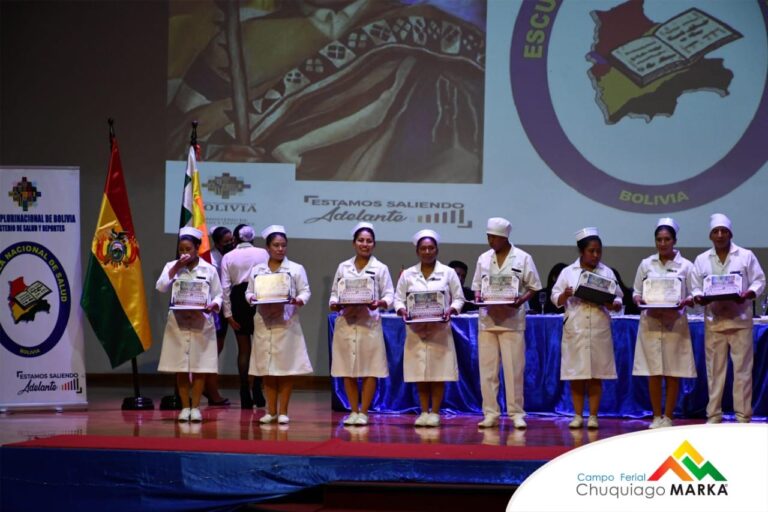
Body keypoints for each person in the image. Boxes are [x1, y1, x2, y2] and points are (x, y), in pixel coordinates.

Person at [691, 213, 765, 424]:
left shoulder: (745, 255)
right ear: (710, 236)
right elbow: (696, 285)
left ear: (731, 233)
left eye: (724, 231)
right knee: (714, 372)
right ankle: (714, 415)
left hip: (740, 320)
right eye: (716, 232)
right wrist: (698, 296)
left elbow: (758, 280)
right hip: (715, 322)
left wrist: (748, 293)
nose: (720, 235)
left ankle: (743, 416)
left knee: (743, 371)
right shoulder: (702, 259)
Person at [471, 217, 541, 429]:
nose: (490, 241)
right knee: (488, 371)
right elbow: (476, 286)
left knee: (514, 370)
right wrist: (478, 297)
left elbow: (534, 286)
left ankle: (516, 413)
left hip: (512, 321)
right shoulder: (483, 258)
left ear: (504, 238)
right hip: (488, 321)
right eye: (488, 237)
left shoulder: (523, 258)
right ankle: (490, 413)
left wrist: (521, 300)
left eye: (493, 237)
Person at [551, 227, 623, 430]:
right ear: (582, 252)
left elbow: (617, 296)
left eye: (599, 251)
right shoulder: (568, 272)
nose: (596, 255)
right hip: (576, 326)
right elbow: (554, 297)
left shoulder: (606, 271)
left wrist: (614, 303)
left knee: (595, 373)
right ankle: (576, 415)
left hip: (599, 326)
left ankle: (593, 416)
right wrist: (565, 294)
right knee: (576, 373)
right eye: (591, 251)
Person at [394, 229, 465, 427]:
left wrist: (452, 310)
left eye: (431, 248)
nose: (427, 251)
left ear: (437, 249)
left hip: (440, 330)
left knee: (438, 373)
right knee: (420, 373)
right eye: (423, 248)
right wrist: (401, 311)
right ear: (417, 251)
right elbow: (398, 299)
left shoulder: (448, 273)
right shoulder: (408, 274)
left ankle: (435, 412)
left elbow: (459, 297)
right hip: (416, 331)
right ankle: (423, 411)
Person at [631, 218, 697, 429]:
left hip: (674, 323)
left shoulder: (686, 266)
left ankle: (668, 416)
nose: (663, 243)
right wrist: (638, 299)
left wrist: (688, 300)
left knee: (672, 370)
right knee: (654, 371)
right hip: (650, 321)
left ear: (674, 240)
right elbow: (636, 291)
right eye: (659, 239)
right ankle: (656, 415)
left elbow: (695, 292)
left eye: (667, 239)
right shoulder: (646, 264)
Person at [246, 225, 313, 424]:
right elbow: (249, 292)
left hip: (286, 323)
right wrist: (252, 298)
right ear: (267, 247)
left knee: (285, 369)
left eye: (283, 245)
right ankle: (270, 411)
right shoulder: (258, 270)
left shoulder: (295, 268)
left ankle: (283, 411)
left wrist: (299, 300)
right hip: (264, 323)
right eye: (276, 245)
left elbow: (305, 291)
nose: (280, 249)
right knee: (267, 369)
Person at [329, 222, 394, 426]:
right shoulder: (343, 266)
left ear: (374, 244)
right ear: (354, 243)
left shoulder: (381, 268)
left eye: (368, 241)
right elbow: (334, 293)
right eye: (361, 240)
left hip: (369, 324)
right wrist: (334, 304)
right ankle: (353, 410)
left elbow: (390, 295)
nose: (364, 244)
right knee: (347, 369)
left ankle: (364, 412)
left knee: (369, 369)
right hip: (346, 323)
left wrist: (380, 302)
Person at [156, 227, 223, 422]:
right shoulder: (172, 266)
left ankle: (196, 407)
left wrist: (215, 304)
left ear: (197, 249)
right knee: (181, 366)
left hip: (202, 322)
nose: (184, 253)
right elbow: (161, 287)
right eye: (181, 249)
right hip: (178, 323)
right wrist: (175, 268)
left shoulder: (209, 269)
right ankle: (185, 407)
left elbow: (219, 294)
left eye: (188, 249)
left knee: (200, 366)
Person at [220, 224, 269, 408]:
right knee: (259, 347)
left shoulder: (228, 256)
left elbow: (225, 287)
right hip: (259, 297)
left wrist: (228, 313)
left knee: (244, 349)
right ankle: (257, 388)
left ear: (235, 238)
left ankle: (243, 391)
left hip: (238, 300)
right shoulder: (263, 253)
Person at [204, 225, 235, 406]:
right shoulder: (213, 260)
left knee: (217, 351)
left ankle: (209, 389)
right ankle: (211, 392)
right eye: (226, 242)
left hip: (224, 308)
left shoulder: (230, 257)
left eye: (232, 240)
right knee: (212, 353)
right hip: (214, 309)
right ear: (216, 243)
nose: (230, 244)